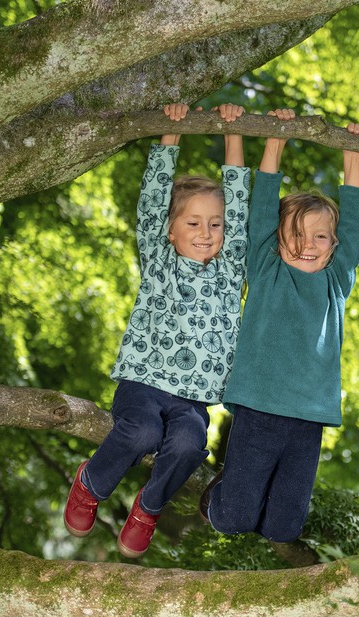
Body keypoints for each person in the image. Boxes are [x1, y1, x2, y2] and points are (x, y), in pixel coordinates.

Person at [64, 102, 250, 558]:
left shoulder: (230, 272)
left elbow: (242, 211)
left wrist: (235, 132)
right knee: (140, 434)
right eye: (193, 223)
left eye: (214, 224)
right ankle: (90, 484)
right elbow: (151, 202)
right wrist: (171, 132)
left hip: (192, 399)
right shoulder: (159, 262)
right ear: (169, 231)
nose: (206, 232)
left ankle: (148, 508)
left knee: (190, 442)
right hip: (143, 384)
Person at [200, 108, 359, 543]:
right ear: (277, 240)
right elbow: (259, 214)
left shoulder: (336, 281)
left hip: (309, 416)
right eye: (296, 234)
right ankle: (218, 492)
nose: (307, 245)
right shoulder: (266, 270)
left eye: (320, 237)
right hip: (259, 406)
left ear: (334, 245)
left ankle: (260, 512)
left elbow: (354, 227)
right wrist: (275, 140)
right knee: (233, 519)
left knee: (283, 529)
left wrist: (354, 156)